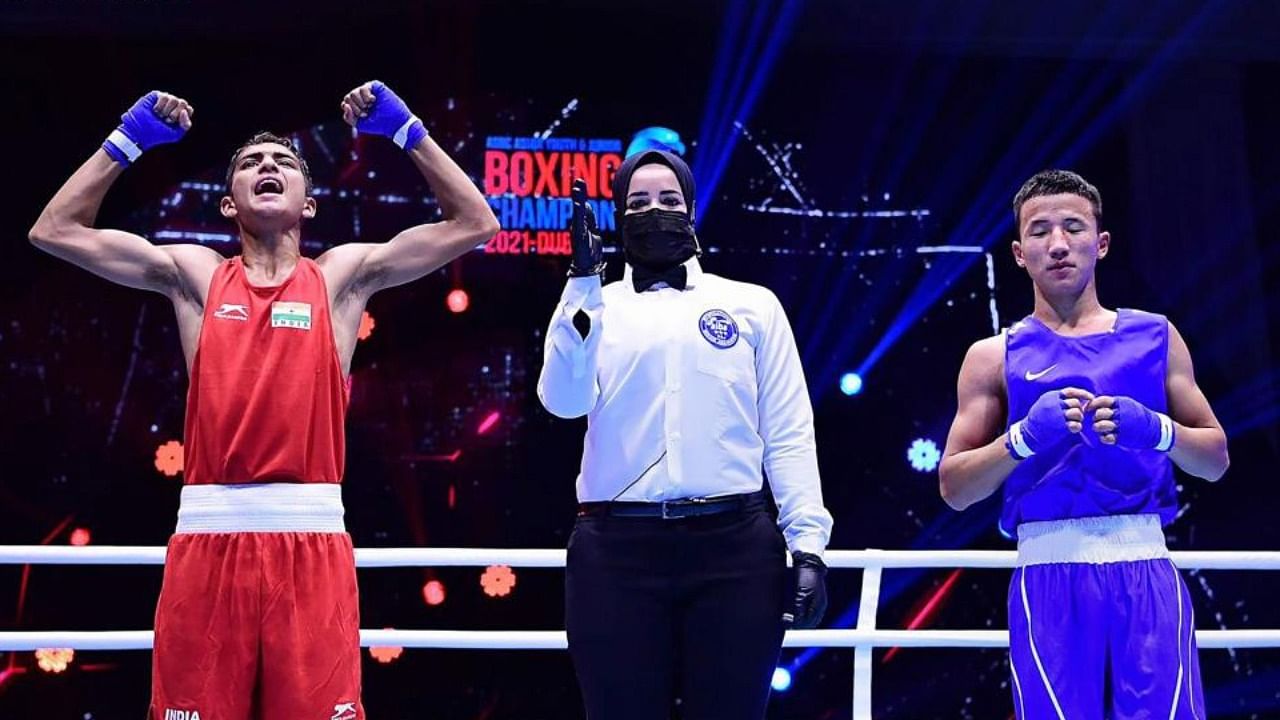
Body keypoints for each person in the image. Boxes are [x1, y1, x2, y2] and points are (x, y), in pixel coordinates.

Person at [28, 81, 499, 719]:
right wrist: (127, 141)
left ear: (308, 204)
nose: (268, 166)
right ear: (228, 204)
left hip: (311, 543)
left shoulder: (341, 278)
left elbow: (476, 223)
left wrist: (406, 129)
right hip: (207, 541)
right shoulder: (194, 276)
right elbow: (54, 230)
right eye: (251, 163)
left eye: (284, 162)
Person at [537, 149, 833, 720]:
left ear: (692, 209)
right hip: (616, 551)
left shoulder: (752, 306)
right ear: (618, 215)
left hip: (736, 549)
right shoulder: (597, 305)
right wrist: (580, 285)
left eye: (669, 201)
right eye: (639, 202)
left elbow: (790, 432)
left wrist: (810, 547)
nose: (655, 212)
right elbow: (563, 402)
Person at [939, 169, 1229, 718]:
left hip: (1144, 564)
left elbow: (1215, 460)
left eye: (1073, 227)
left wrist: (1160, 431)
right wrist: (1022, 440)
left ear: (1100, 244)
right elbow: (954, 487)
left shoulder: (1155, 336)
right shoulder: (991, 356)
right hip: (1046, 573)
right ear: (1020, 253)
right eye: (1040, 230)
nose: (1058, 243)